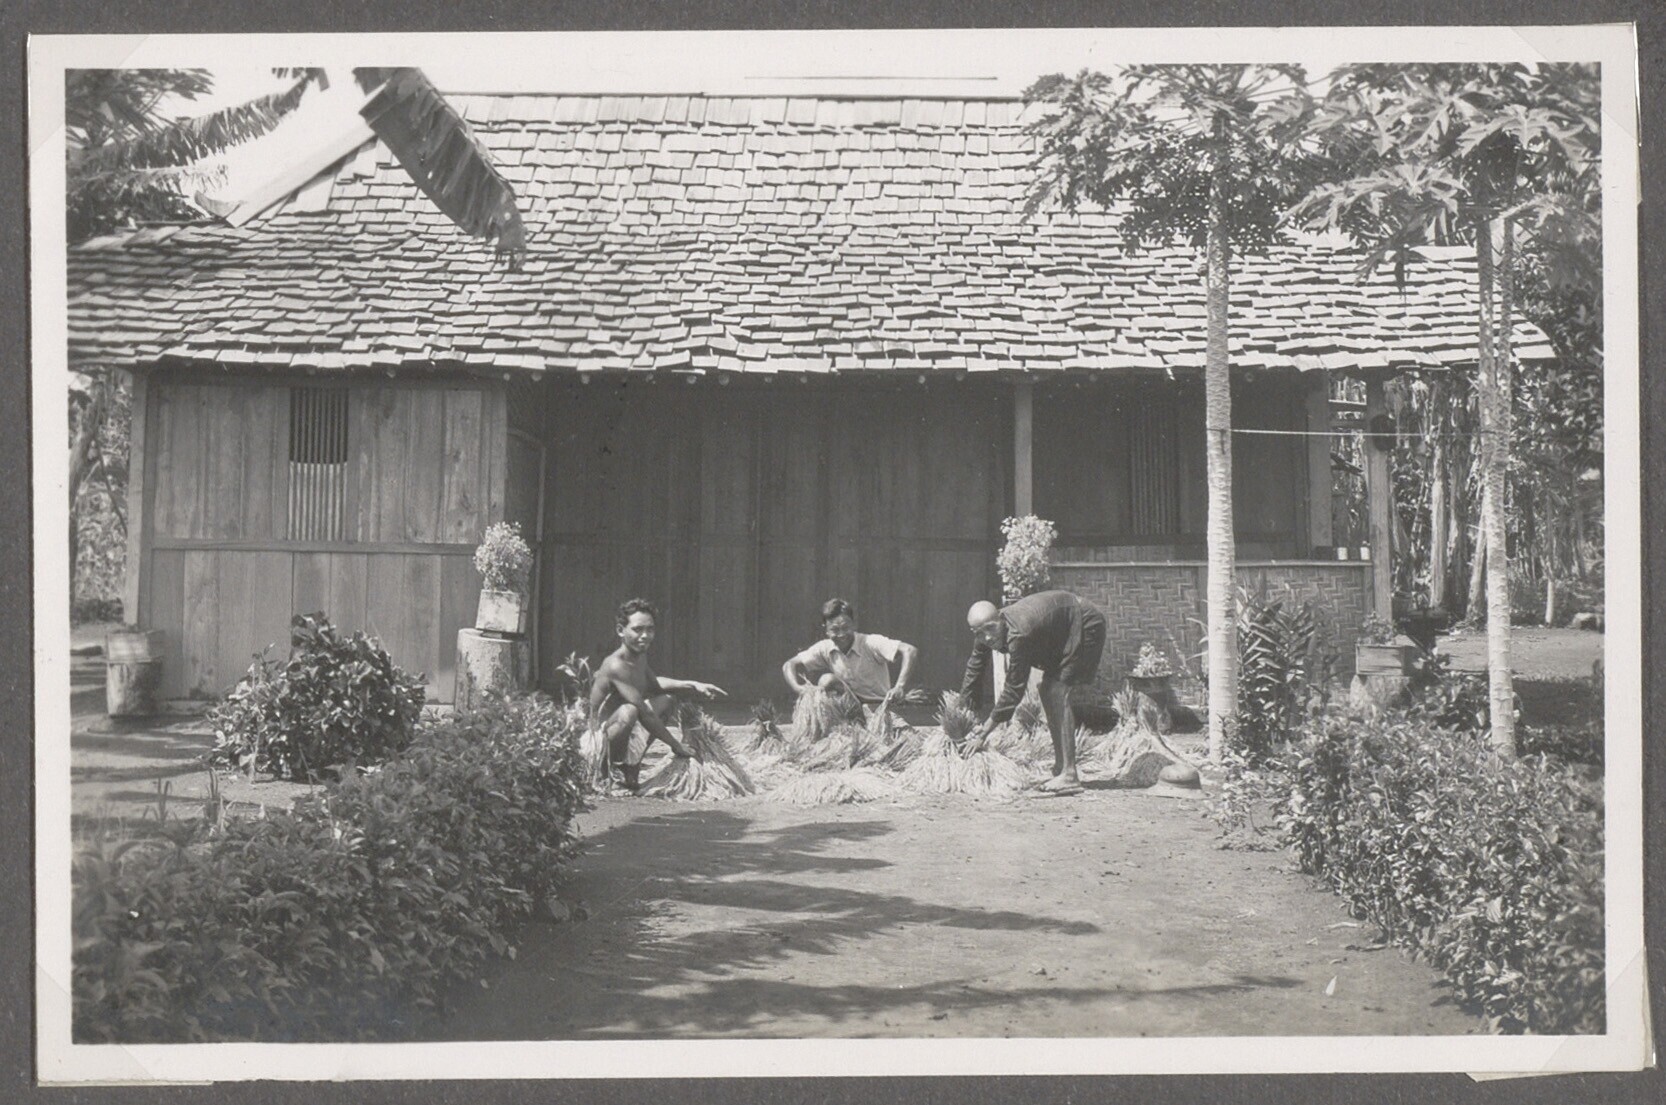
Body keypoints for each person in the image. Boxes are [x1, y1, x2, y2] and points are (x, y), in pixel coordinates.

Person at [961, 589, 1107, 796]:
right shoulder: (984, 632)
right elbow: (974, 669)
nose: (987, 637)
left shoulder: (1019, 634)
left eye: (991, 629)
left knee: (1056, 691)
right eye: (978, 633)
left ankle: (1070, 774)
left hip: (1084, 621)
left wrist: (983, 733)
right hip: (1062, 627)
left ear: (1000, 618)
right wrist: (963, 714)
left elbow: (1014, 688)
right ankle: (1061, 767)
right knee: (1046, 689)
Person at [589, 598, 727, 792]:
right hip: (594, 743)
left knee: (666, 700)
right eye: (637, 630)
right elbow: (645, 713)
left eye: (650, 629)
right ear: (621, 630)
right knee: (630, 711)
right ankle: (607, 771)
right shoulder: (615, 665)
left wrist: (693, 685)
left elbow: (653, 684)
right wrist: (676, 745)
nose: (645, 636)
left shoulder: (638, 655)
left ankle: (631, 766)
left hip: (619, 730)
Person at [781, 598, 923, 713]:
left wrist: (899, 686)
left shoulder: (870, 642)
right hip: (848, 708)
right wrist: (798, 688)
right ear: (826, 629)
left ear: (853, 625)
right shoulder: (824, 648)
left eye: (846, 628)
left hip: (878, 706)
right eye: (835, 630)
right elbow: (789, 664)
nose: (841, 634)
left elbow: (909, 650)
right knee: (827, 681)